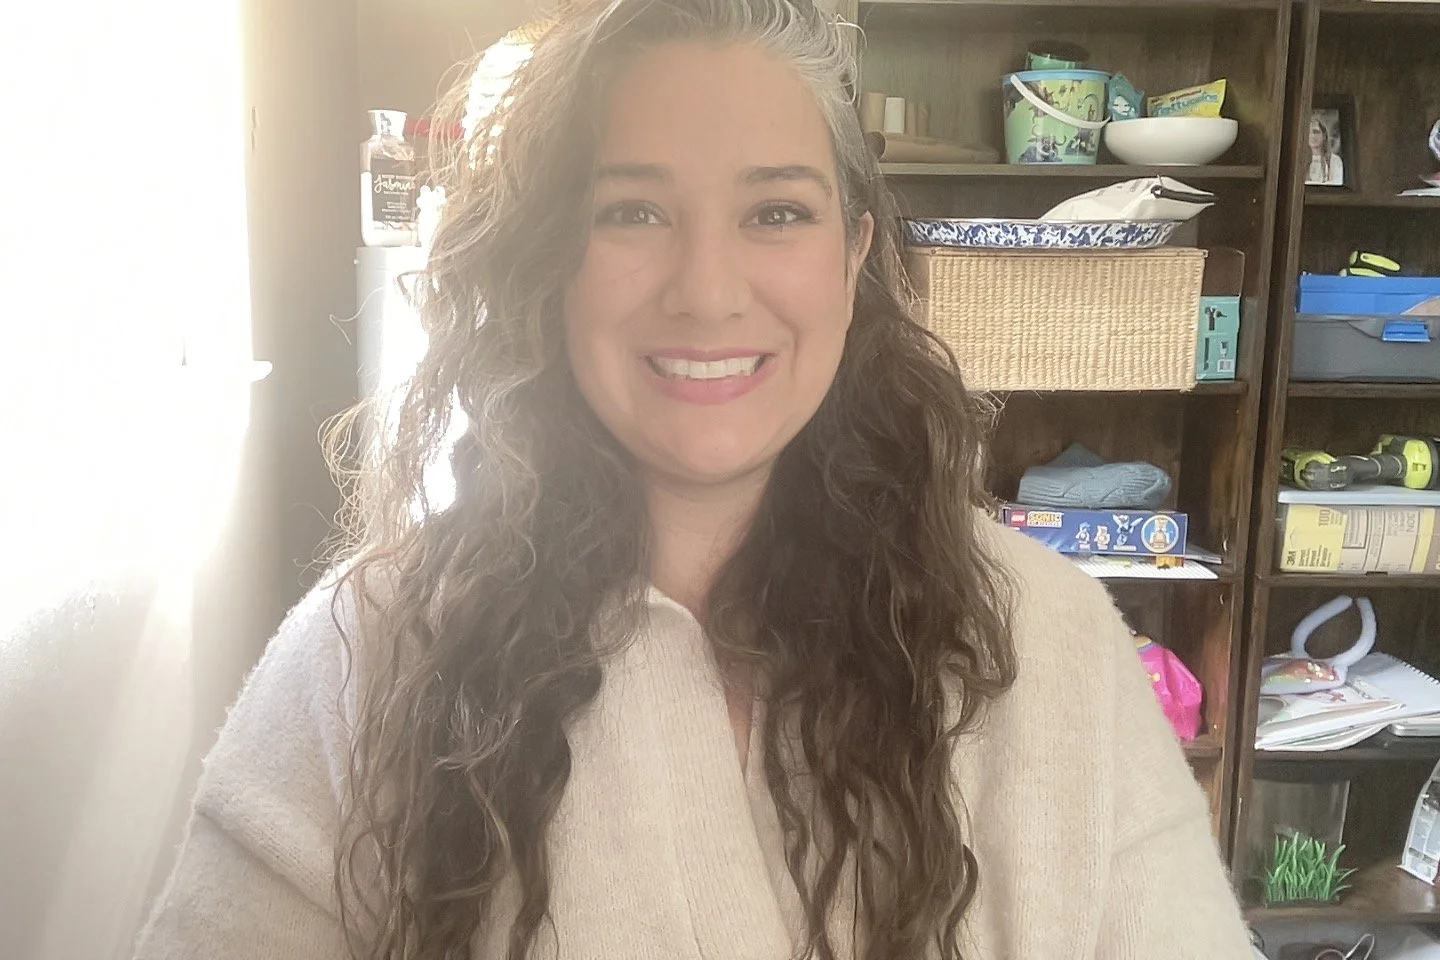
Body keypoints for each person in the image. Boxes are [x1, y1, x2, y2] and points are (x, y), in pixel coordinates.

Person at [133, 1, 1254, 958]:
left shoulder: (1046, 639)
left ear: (854, 256)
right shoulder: (363, 660)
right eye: (633, 211)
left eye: (777, 212)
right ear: (552, 259)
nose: (708, 292)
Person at [1307, 117, 1344, 186]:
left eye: (1316, 132)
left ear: (1324, 135)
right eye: (1308, 133)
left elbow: (1336, 184)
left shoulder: (1335, 161)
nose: (1312, 136)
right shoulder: (1300, 161)